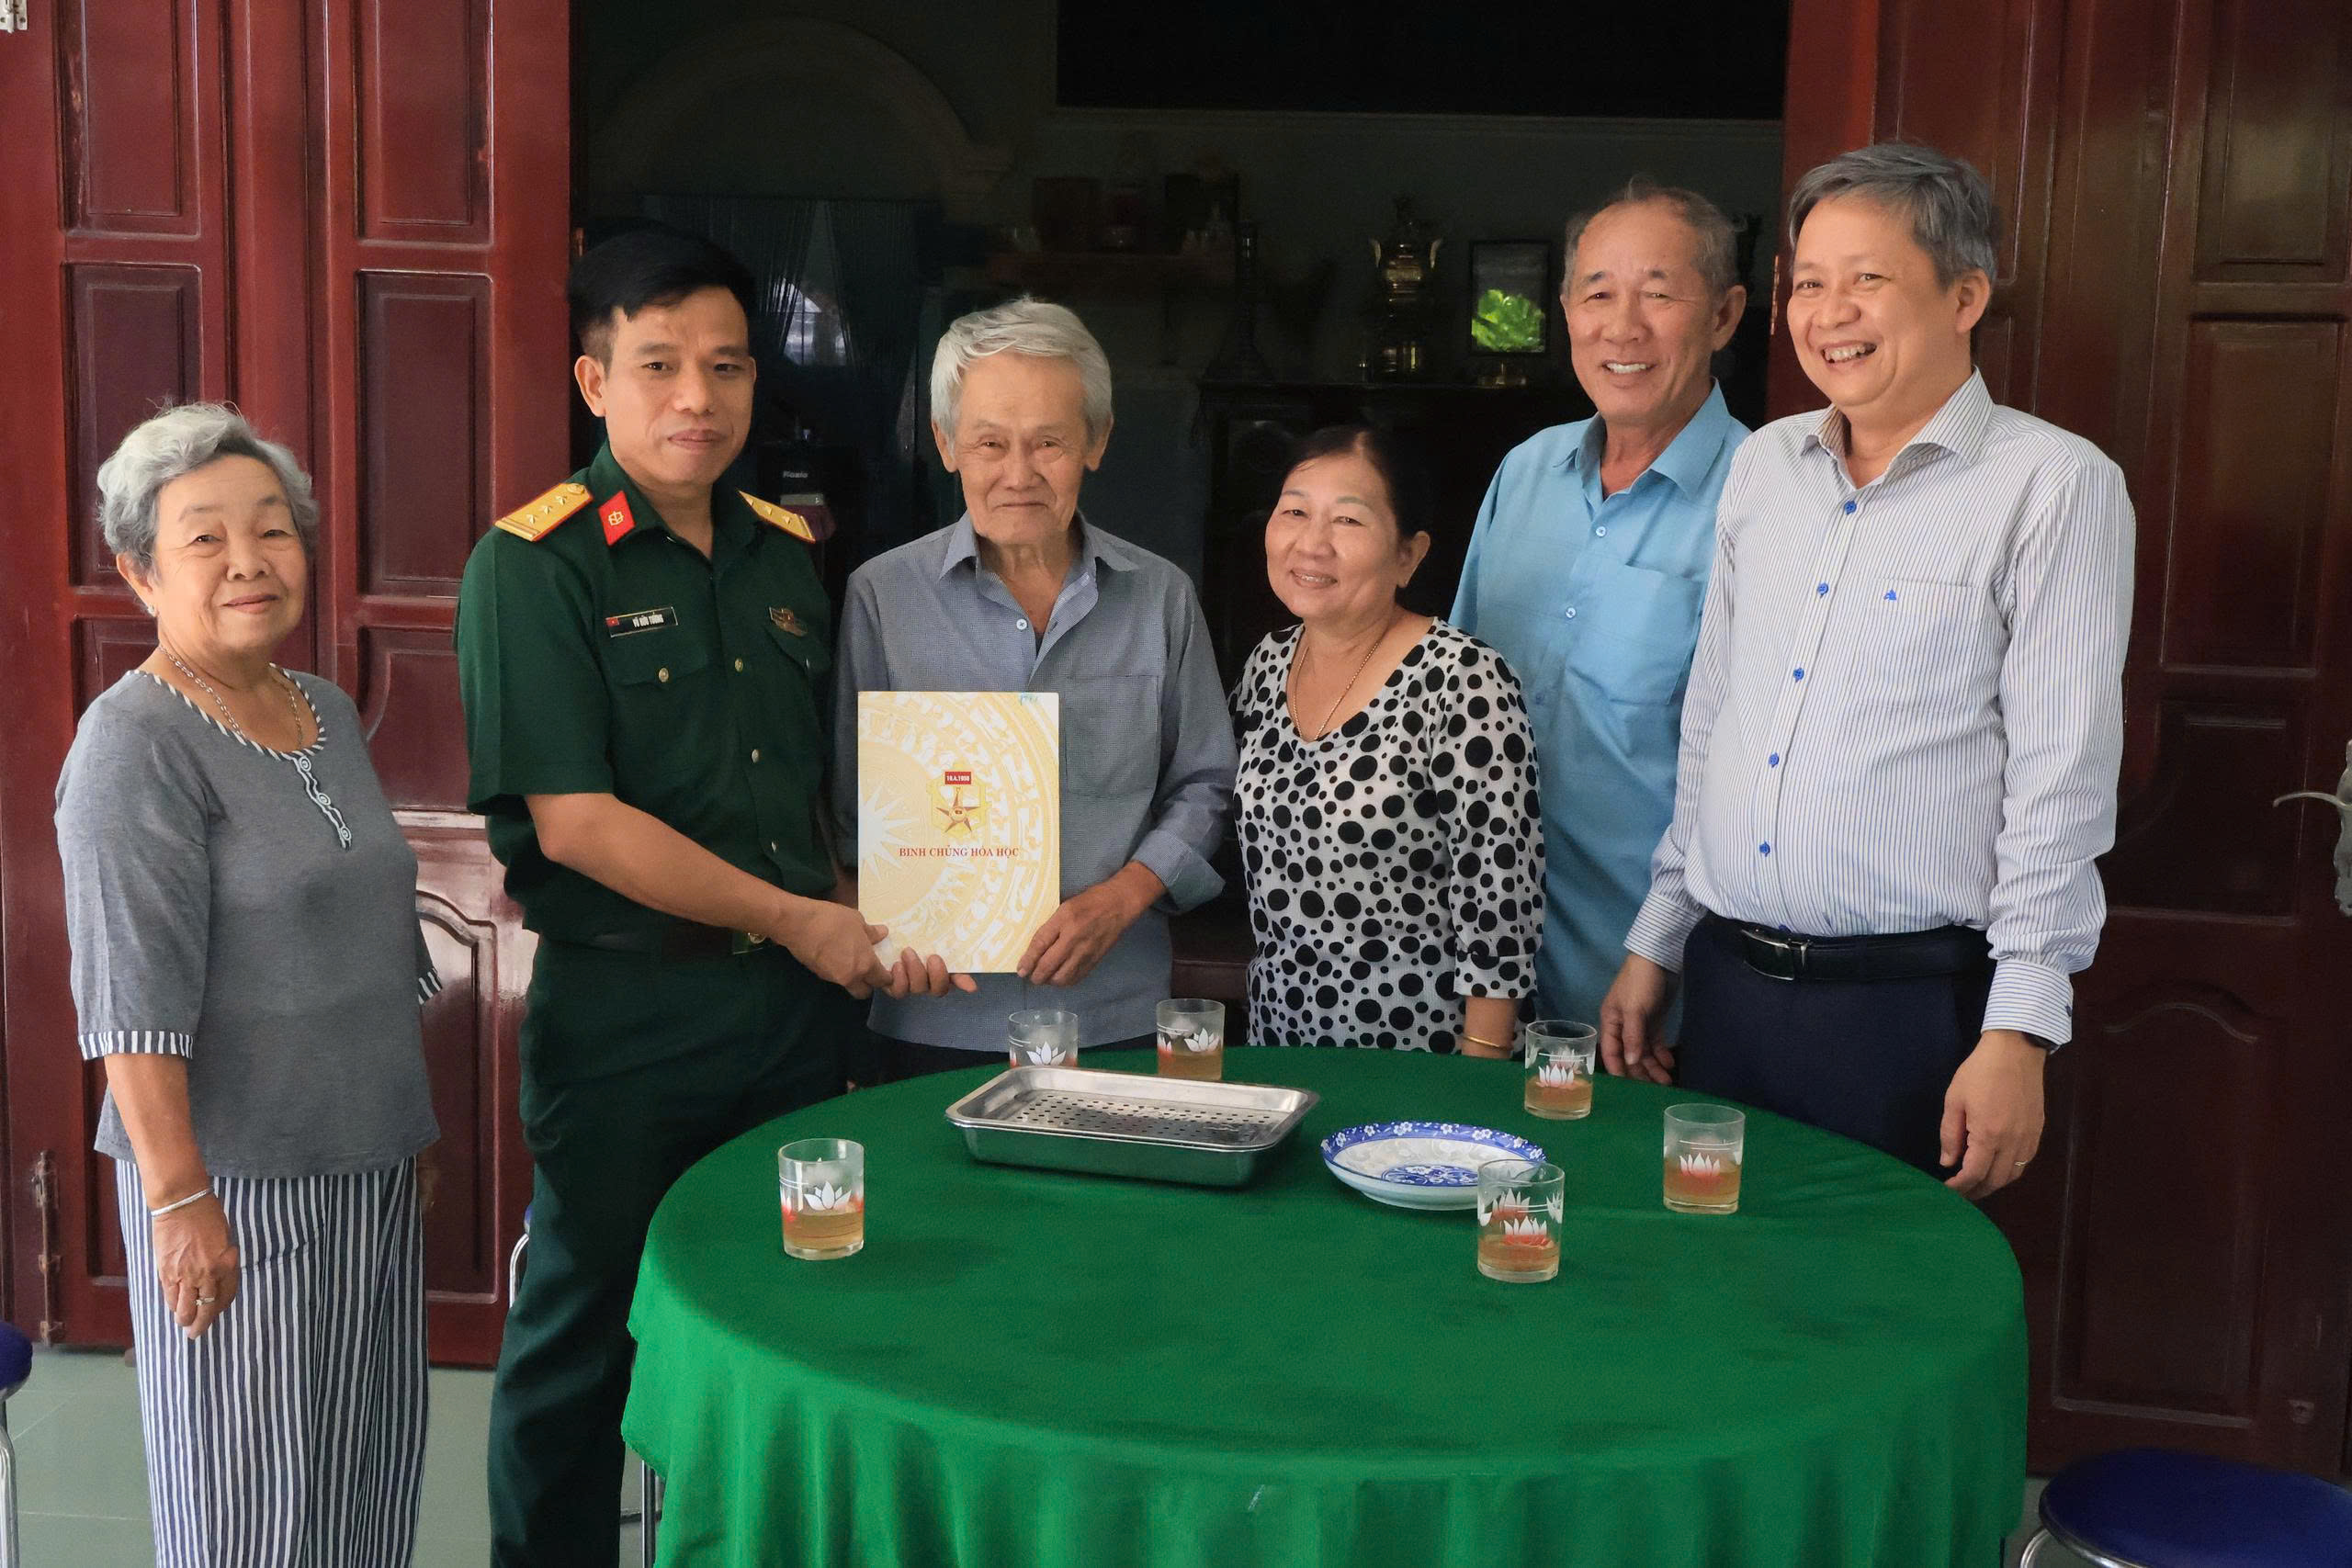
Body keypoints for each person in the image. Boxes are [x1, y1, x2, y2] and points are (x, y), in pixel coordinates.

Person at [456, 227, 958, 1565]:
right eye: (661, 363)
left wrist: (879, 913)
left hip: (787, 1018)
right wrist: (801, 919)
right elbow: (577, 823)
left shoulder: (787, 552)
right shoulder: (536, 563)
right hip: (630, 1016)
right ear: (593, 380)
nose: (698, 396)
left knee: (777, 1320)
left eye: (727, 366)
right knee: (584, 1340)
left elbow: (811, 804)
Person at [1600, 143, 2134, 1196]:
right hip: (1728, 990)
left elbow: (2060, 779)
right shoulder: (1765, 465)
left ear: (1964, 296)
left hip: (1907, 1012)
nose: (1828, 313)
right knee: (1705, 1276)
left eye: (1867, 279)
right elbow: (1713, 723)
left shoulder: (2052, 485)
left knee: (1876, 1288)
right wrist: (1656, 940)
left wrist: (2018, 1030)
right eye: (1808, 283)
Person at [55, 404, 440, 1566]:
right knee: (251, 1512)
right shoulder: (133, 744)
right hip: (235, 1184)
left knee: (366, 1483)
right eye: (205, 539)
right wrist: (179, 1204)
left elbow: (371, 931)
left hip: (367, 1161)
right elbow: (128, 999)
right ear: (139, 572)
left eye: (271, 530)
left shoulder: (323, 709)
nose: (248, 561)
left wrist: (410, 1124)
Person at [833, 297, 1236, 1075]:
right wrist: (885, 924)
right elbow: (852, 810)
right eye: (990, 442)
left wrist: (1123, 896)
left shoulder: (1160, 597)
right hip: (933, 1011)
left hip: (1114, 1009)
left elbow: (1207, 782)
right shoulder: (881, 598)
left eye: (1048, 442)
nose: (1018, 474)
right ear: (946, 443)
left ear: (1097, 441)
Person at [1452, 179, 1749, 1026]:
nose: (1623, 327)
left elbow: (1751, 784)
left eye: (1658, 294)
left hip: (1646, 990)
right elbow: (1450, 703)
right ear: (1565, 314)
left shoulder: (1764, 497)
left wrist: (1659, 958)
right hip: (1477, 971)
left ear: (1724, 316)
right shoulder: (1525, 472)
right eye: (1597, 294)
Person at [1231, 423, 1544, 1054]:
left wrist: (1479, 1071)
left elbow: (1500, 901)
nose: (1312, 544)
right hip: (1279, 1042)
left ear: (1409, 554)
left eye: (1348, 521)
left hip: (1419, 1058)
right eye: (1294, 512)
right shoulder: (1267, 665)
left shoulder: (1463, 679)